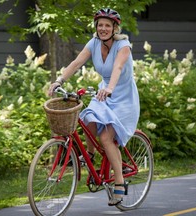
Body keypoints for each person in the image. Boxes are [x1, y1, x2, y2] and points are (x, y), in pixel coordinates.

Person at [48, 8, 140, 206]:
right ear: (96, 27)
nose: (103, 29)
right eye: (100, 25)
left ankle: (119, 183)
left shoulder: (123, 46)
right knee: (87, 117)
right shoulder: (94, 43)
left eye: (108, 25)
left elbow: (117, 68)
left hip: (122, 96)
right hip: (103, 92)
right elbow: (76, 63)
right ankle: (90, 153)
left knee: (106, 137)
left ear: (115, 28)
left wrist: (110, 88)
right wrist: (59, 81)